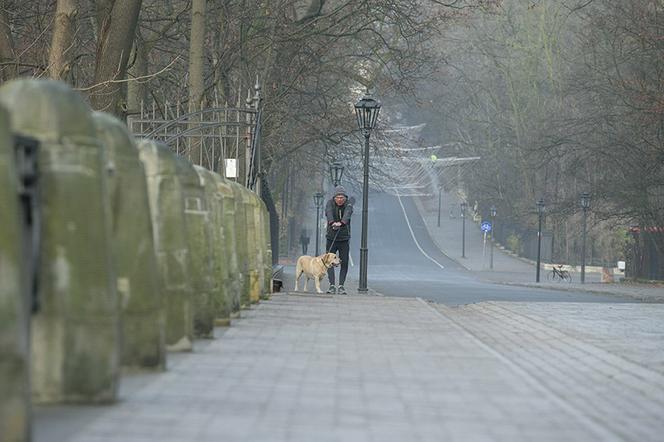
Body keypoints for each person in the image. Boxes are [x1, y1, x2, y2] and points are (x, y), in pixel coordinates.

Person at [325, 185, 353, 294]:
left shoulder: (348, 205)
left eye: (342, 197)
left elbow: (347, 215)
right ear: (334, 198)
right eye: (338, 197)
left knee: (344, 262)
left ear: (345, 198)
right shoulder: (329, 203)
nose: (340, 199)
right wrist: (332, 223)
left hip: (344, 238)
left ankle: (341, 285)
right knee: (329, 262)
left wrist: (341, 223)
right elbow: (329, 213)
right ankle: (332, 285)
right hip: (331, 238)